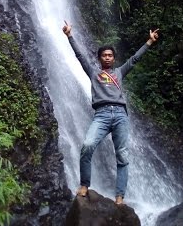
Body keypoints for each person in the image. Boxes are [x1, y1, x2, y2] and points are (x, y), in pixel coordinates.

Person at [62, 20, 159, 205]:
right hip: (102, 114)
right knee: (87, 145)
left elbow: (134, 59)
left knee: (122, 156)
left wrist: (149, 42)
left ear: (113, 59)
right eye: (104, 55)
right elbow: (80, 56)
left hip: (121, 115)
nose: (107, 57)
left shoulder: (120, 73)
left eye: (110, 55)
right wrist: (69, 36)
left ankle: (119, 196)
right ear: (99, 58)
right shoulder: (93, 73)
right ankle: (84, 184)